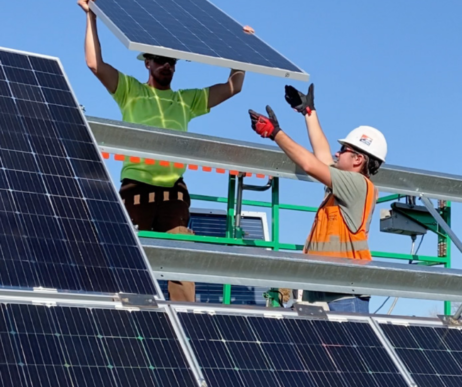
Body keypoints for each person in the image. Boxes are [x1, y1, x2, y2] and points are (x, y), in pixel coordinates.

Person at [78, 0, 245, 302]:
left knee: (181, 263)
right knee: (129, 260)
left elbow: (233, 87)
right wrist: (91, 17)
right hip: (136, 189)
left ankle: (185, 321)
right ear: (147, 63)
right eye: (160, 60)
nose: (167, 65)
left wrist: (240, 48)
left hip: (173, 193)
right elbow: (94, 64)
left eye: (172, 61)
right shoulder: (130, 90)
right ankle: (128, 314)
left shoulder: (186, 100)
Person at [248, 84, 387, 313]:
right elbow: (321, 156)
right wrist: (309, 113)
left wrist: (275, 133)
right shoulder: (343, 184)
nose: (336, 153)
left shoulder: (358, 185)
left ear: (358, 159)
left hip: (344, 295)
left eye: (343, 150)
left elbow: (310, 164)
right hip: (327, 290)